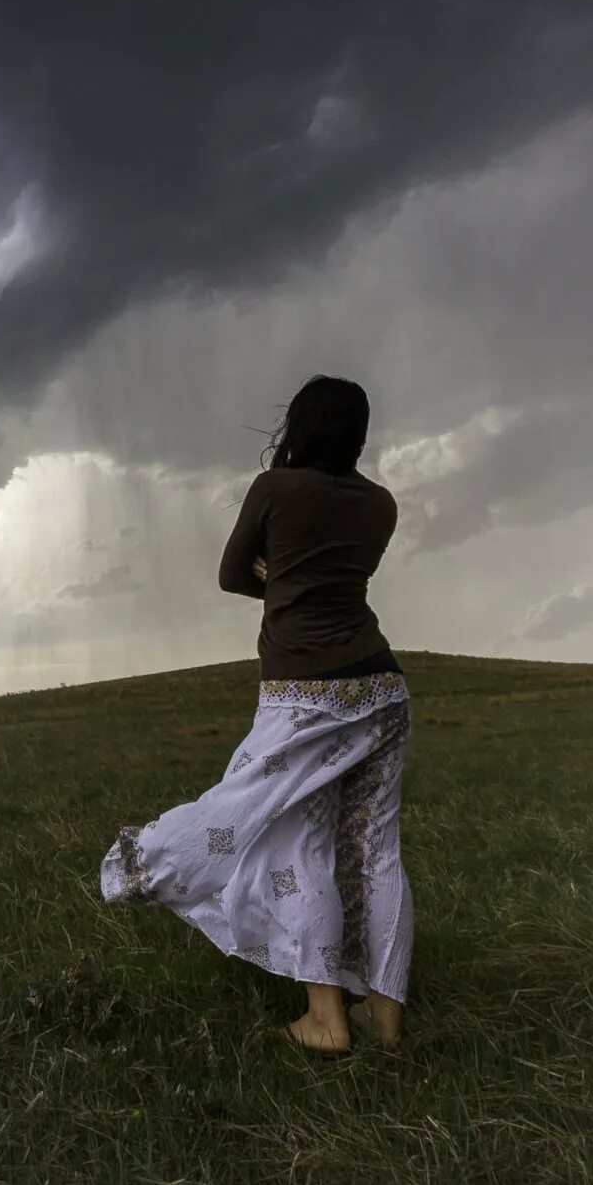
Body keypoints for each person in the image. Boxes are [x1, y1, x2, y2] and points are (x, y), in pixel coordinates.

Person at [99, 374, 413, 1055]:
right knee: (376, 852)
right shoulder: (380, 505)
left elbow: (232, 574)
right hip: (382, 690)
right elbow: (335, 575)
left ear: (298, 427)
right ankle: (383, 1016)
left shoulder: (276, 489)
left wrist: (279, 574)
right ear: (358, 433)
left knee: (297, 844)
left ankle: (326, 1019)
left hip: (304, 697)